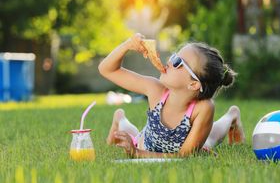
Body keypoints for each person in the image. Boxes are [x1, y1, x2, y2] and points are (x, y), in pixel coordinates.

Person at [98, 33, 245, 158]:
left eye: (177, 61)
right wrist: (127, 45)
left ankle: (232, 115)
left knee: (211, 137)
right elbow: (106, 70)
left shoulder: (203, 108)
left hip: (174, 145)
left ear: (193, 84)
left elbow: (184, 155)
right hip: (146, 143)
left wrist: (137, 153)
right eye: (174, 55)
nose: (169, 60)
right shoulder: (155, 90)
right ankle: (120, 117)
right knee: (129, 132)